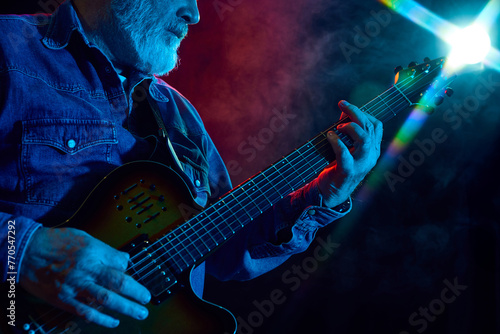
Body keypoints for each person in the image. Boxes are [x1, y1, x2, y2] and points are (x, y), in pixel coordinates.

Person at [0, 0, 382, 330]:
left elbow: (224, 249)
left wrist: (323, 194)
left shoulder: (176, 113)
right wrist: (25, 251)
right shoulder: (9, 50)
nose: (195, 14)